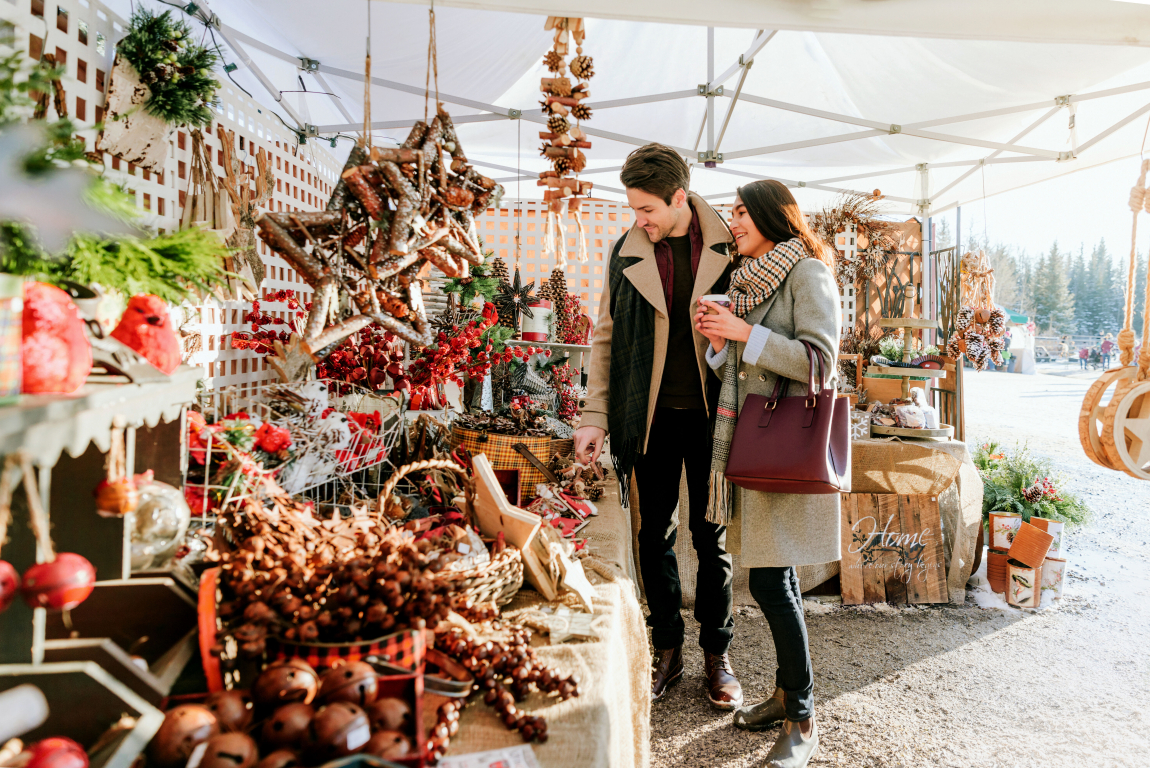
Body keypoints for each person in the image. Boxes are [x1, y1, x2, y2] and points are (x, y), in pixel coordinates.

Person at [573, 144, 742, 708]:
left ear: (678, 197)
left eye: (647, 209)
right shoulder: (626, 250)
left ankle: (718, 655)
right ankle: (667, 649)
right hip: (645, 421)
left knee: (711, 537)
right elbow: (605, 338)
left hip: (716, 418)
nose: (638, 221)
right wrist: (594, 416)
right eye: (634, 210)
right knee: (654, 534)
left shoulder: (732, 245)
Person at [693, 179, 841, 768]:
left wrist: (745, 335)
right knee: (766, 579)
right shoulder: (749, 279)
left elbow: (820, 364)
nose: (733, 223)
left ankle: (802, 718)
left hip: (784, 448)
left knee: (770, 582)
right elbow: (743, 362)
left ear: (771, 216)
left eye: (741, 212)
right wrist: (718, 340)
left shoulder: (807, 273)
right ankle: (785, 695)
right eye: (730, 213)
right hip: (752, 448)